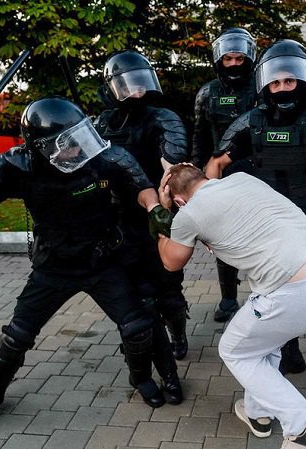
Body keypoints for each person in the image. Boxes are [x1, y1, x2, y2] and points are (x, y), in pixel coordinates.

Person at [0, 97, 183, 431]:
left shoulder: (102, 157)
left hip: (102, 261)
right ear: (40, 147)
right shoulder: (18, 165)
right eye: (66, 144)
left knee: (137, 326)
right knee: (17, 336)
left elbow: (140, 185)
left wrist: (153, 209)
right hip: (53, 267)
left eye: (79, 138)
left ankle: (140, 378)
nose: (76, 149)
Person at [205, 39, 306, 423]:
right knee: (272, 299)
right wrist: (218, 213)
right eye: (275, 82)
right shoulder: (250, 121)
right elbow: (215, 163)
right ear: (265, 84)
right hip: (267, 233)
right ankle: (289, 358)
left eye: (290, 80)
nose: (283, 88)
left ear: (305, 80)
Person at [156, 164, 306, 449]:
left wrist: (162, 213)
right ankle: (258, 413)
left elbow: (170, 262)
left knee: (234, 350)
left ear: (178, 200)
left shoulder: (186, 214)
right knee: (261, 341)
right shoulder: (242, 178)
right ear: (204, 177)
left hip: (295, 291)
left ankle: (300, 429)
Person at [94, 50, 190, 359]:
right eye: (129, 85)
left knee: (168, 286)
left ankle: (177, 331)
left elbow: (172, 162)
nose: (136, 91)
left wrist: (164, 199)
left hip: (157, 210)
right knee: (133, 287)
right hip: (118, 215)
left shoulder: (163, 118)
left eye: (140, 84)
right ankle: (146, 339)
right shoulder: (101, 123)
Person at [192, 27, 259, 323]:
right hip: (221, 174)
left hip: (260, 174)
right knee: (223, 239)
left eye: (239, 58)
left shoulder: (261, 87)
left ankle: (264, 295)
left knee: (261, 237)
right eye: (228, 58)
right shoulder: (207, 93)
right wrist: (197, 176)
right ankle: (228, 299)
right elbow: (199, 137)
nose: (233, 63)